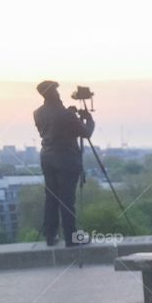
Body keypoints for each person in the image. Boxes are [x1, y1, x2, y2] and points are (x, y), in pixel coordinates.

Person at [33, 80, 95, 246]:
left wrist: (71, 115)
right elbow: (86, 133)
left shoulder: (38, 112)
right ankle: (71, 237)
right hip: (66, 159)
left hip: (47, 158)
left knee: (51, 197)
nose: (59, 94)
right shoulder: (65, 114)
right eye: (57, 91)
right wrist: (88, 119)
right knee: (67, 199)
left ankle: (50, 235)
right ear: (53, 93)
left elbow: (51, 128)